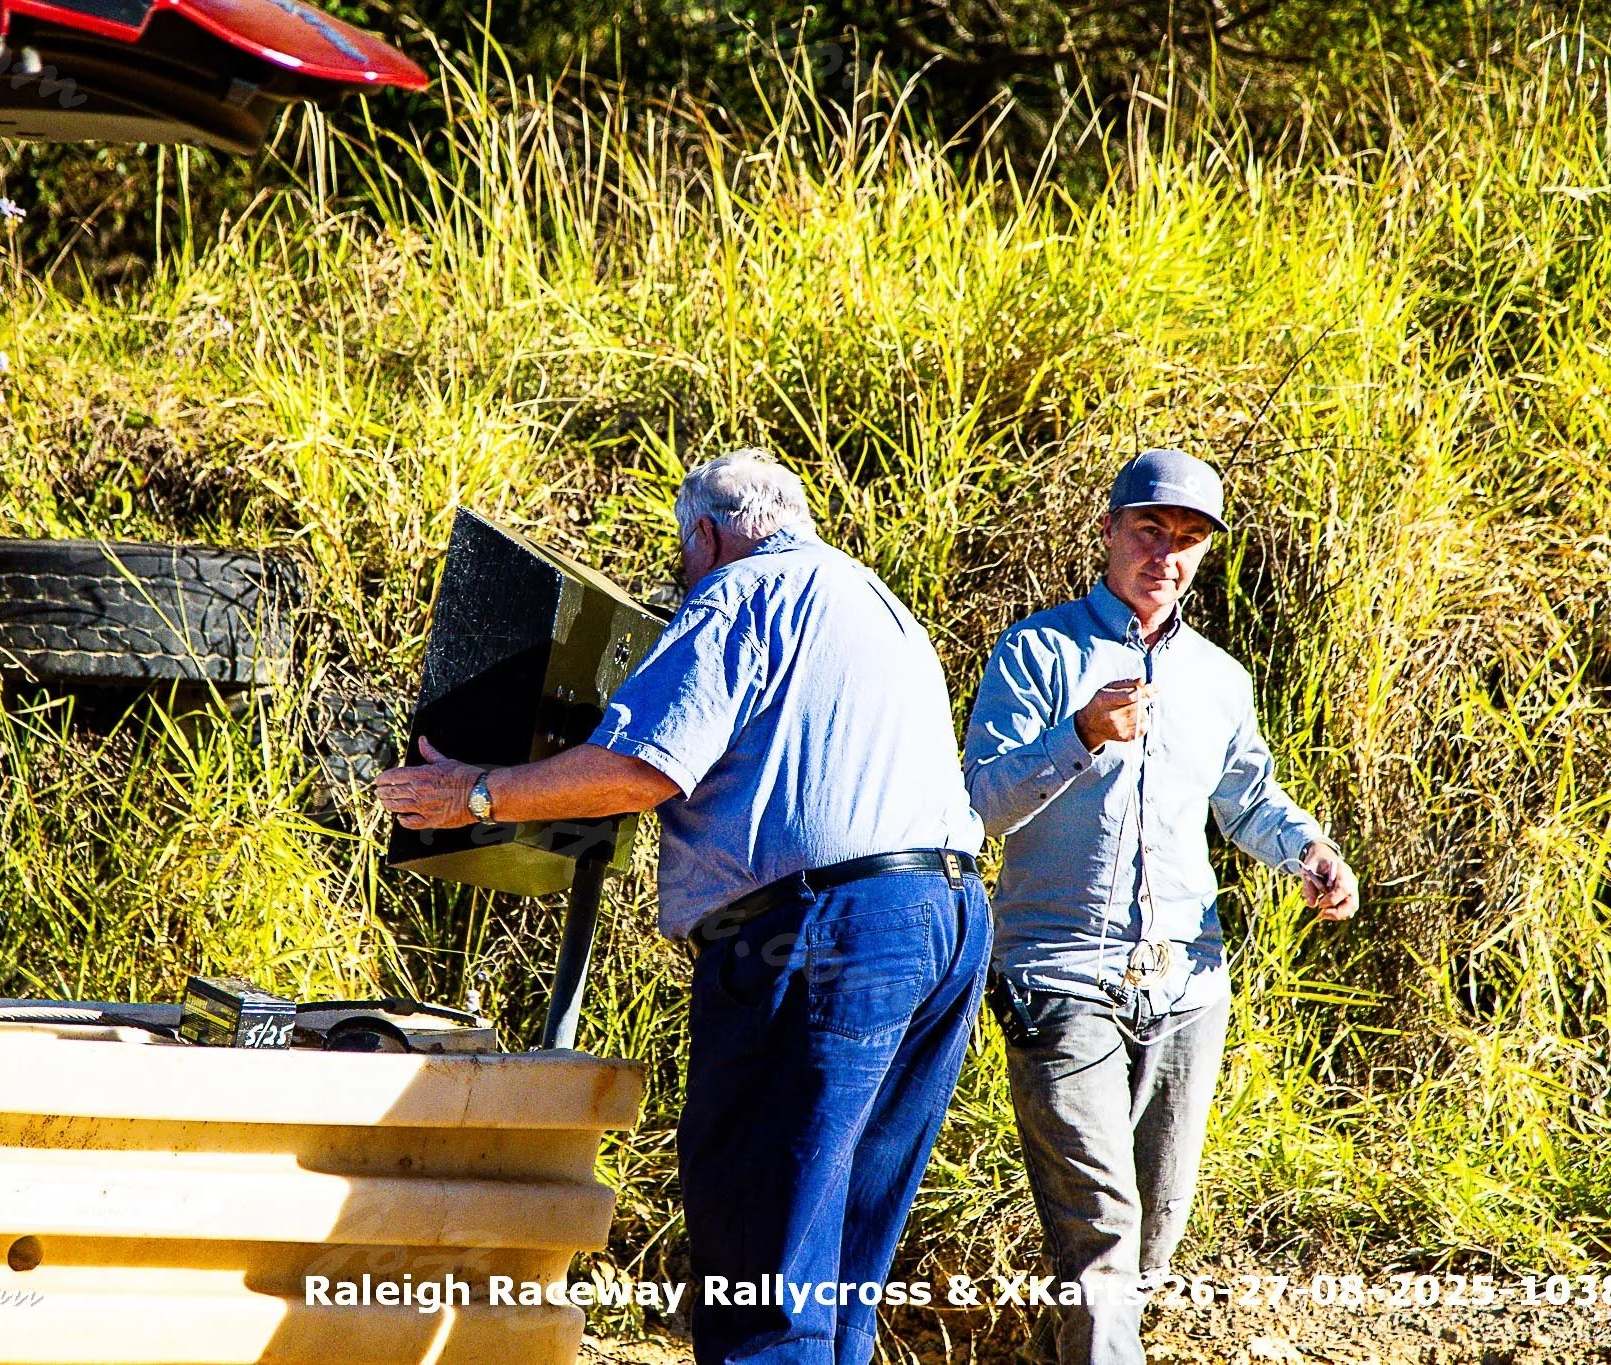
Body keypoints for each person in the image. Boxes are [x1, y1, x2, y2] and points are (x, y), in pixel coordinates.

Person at [376, 449, 991, 1365]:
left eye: (682, 550)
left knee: (763, 1251)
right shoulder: (875, 601)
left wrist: (479, 793)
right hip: (947, 921)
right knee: (842, 1262)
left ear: (706, 533)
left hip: (822, 934)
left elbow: (642, 765)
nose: (683, 570)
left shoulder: (742, 593)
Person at [963, 449, 1359, 1365]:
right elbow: (981, 803)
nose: (1167, 554)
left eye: (1188, 539)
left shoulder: (1220, 678)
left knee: (1145, 1248)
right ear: (1108, 530)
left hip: (1188, 982)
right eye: (1150, 529)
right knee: (1103, 1230)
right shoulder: (1037, 651)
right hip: (1060, 971)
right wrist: (1081, 735)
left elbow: (1249, 799)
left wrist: (1311, 851)